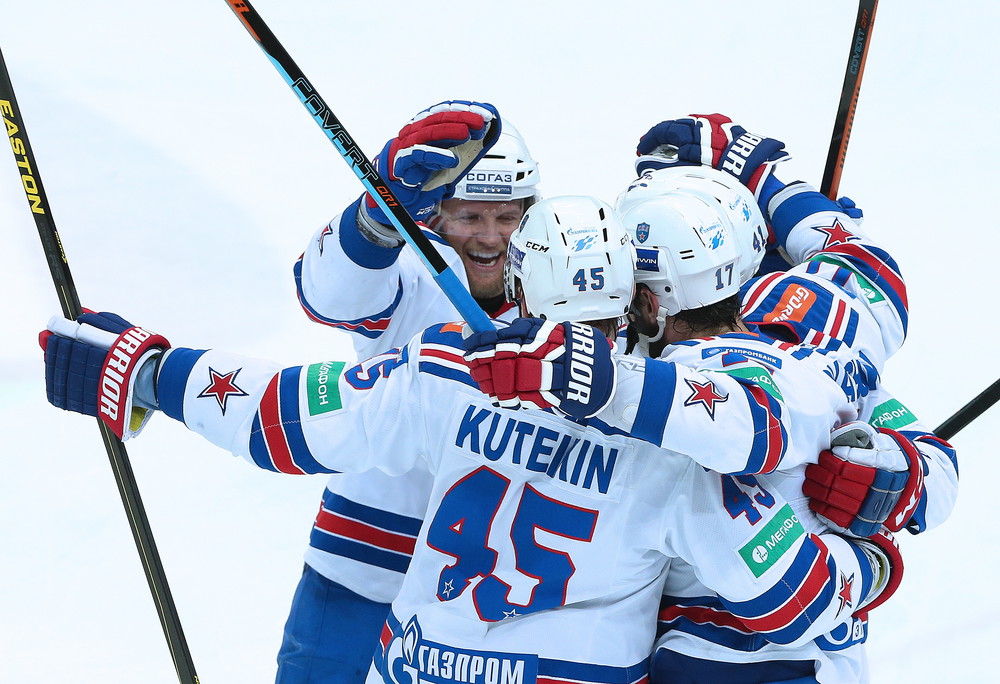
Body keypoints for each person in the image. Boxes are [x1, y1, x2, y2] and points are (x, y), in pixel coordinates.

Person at [41, 195, 901, 684]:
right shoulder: (675, 443)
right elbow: (790, 594)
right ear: (636, 299)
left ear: (520, 282)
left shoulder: (448, 371)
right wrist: (871, 563)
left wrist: (145, 370)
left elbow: (278, 416)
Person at [286, 100, 540, 681]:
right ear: (435, 215)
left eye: (507, 218)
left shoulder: (566, 291)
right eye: (469, 216)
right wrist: (377, 216)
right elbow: (328, 294)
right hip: (362, 572)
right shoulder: (413, 273)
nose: (490, 238)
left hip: (488, 598)